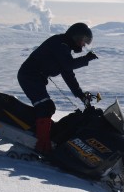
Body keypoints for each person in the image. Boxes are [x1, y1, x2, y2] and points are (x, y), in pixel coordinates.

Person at [17, 22, 98, 155]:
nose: (84, 45)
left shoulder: (64, 47)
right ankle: (42, 146)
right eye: (84, 41)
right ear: (75, 37)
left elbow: (68, 74)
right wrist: (86, 59)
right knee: (45, 107)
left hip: (35, 78)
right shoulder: (60, 44)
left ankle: (39, 136)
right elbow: (68, 65)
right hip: (29, 77)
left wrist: (80, 94)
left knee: (45, 107)